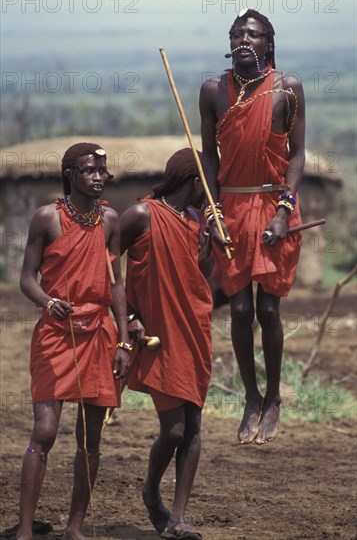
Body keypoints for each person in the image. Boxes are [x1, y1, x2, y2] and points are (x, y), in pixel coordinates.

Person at [199, 9, 305, 445]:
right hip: (233, 207)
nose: (245, 38)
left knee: (267, 310)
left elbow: (297, 156)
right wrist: (211, 210)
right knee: (239, 311)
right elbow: (209, 157)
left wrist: (284, 211)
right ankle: (251, 397)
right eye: (238, 33)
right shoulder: (212, 90)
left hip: (275, 204)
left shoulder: (288, 89)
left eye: (254, 34)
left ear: (268, 43)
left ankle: (275, 397)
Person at [17, 142, 131, 540]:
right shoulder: (46, 218)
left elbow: (116, 285)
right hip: (55, 335)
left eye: (102, 170)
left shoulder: (111, 221)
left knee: (91, 437)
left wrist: (124, 340)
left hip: (99, 334)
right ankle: (26, 531)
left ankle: (74, 528)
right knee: (45, 432)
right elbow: (27, 277)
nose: (98, 177)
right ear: (71, 174)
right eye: (89, 171)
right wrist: (48, 302)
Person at [119, 148, 213, 540]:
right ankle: (151, 490)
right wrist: (127, 318)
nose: (210, 194)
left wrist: (209, 242)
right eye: (206, 185)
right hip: (158, 335)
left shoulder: (194, 221)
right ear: (194, 181)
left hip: (193, 331)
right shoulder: (142, 215)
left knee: (193, 426)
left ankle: (177, 518)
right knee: (173, 430)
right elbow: (106, 262)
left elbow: (198, 277)